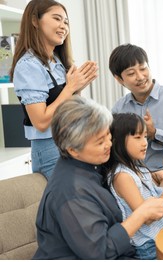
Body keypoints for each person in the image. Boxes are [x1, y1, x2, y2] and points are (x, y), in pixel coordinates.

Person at [33, 96, 163, 259]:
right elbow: (99, 252)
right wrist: (140, 214)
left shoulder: (88, 163)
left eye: (108, 136)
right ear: (72, 149)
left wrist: (154, 175)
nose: (109, 144)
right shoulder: (72, 192)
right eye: (100, 142)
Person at [9, 0, 98, 179]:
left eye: (66, 22)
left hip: (71, 140)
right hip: (50, 149)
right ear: (35, 21)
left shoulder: (57, 62)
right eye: (57, 19)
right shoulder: (28, 66)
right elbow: (40, 122)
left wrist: (77, 90)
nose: (63, 26)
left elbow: (64, 107)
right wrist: (70, 88)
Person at [105, 113, 163, 259]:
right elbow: (147, 217)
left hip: (159, 236)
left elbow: (161, 211)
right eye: (137, 137)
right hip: (147, 245)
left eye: (145, 136)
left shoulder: (138, 168)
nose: (144, 143)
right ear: (119, 141)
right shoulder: (122, 176)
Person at [109, 43, 163, 172]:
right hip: (138, 179)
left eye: (143, 68)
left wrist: (155, 134)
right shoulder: (119, 108)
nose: (140, 77)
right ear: (119, 79)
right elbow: (116, 149)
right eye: (131, 73)